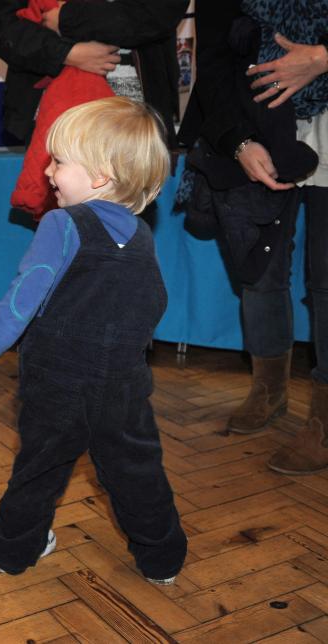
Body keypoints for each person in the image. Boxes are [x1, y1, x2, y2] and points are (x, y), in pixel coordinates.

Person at [0, 97, 187, 584]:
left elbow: (25, 294)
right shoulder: (142, 236)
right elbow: (156, 300)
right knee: (136, 470)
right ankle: (162, 560)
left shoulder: (61, 224)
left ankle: (13, 551)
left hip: (56, 380)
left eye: (60, 161)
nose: (47, 170)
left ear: (100, 176)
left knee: (40, 466)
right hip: (122, 382)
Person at [178, 1, 328, 474]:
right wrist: (238, 142)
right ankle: (269, 388)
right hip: (254, 123)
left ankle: (324, 421)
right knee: (258, 271)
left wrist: (323, 57)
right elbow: (216, 63)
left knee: (327, 281)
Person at [0, 0, 187, 147]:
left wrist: (67, 17)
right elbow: (2, 26)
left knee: (133, 202)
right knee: (54, 197)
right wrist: (67, 53)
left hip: (138, 119)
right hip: (51, 117)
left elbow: (159, 13)